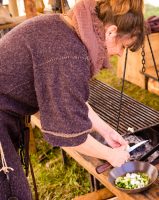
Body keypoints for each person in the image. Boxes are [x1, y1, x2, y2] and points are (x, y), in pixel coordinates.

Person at [0, 0, 145, 199]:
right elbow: (70, 134)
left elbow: (72, 101)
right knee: (12, 194)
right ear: (111, 32)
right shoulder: (70, 55)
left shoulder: (67, 30)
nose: (120, 54)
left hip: (7, 109)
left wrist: (106, 130)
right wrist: (111, 155)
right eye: (123, 46)